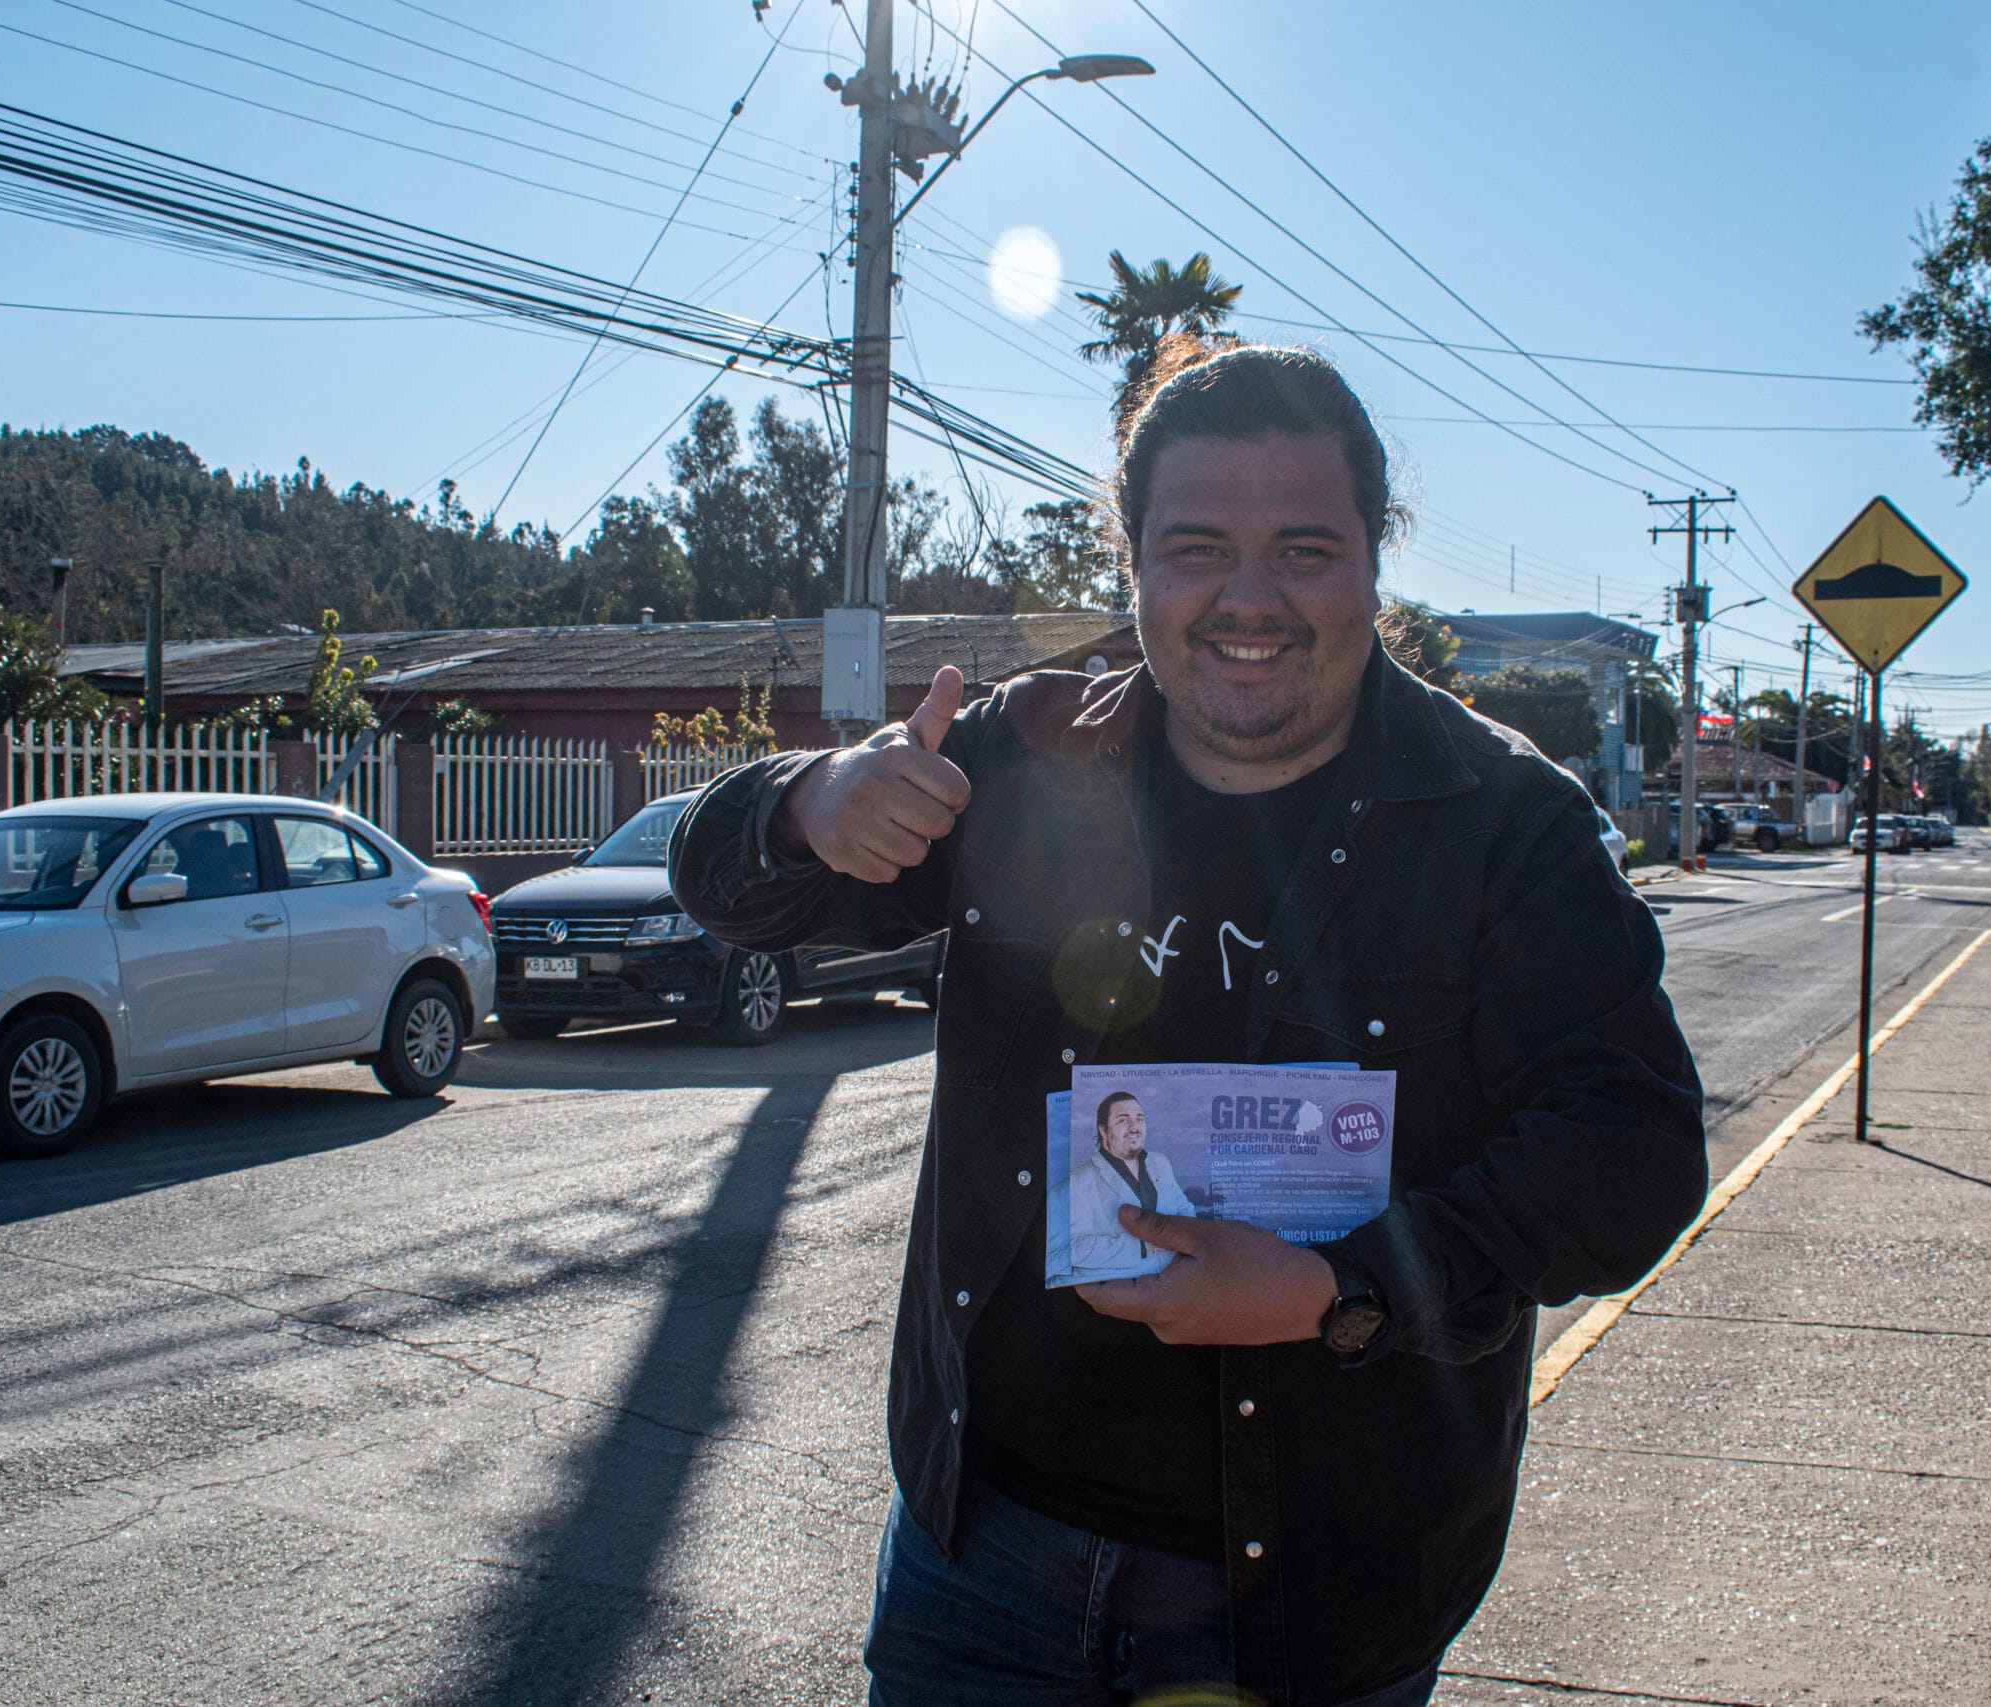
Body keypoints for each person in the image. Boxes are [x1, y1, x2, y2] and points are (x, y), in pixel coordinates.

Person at [670, 340, 1707, 1706]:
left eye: (1305, 548)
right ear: (1134, 561)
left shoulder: (1507, 827)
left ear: (1374, 564)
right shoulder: (1019, 761)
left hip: (1311, 1613)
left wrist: (1341, 1286)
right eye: (1199, 547)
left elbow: (1632, 1157)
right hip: (977, 1565)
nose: (1250, 598)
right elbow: (721, 882)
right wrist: (811, 801)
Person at [1067, 1089, 1195, 1276]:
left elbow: (1184, 1209)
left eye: (1140, 1119)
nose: (1135, 1127)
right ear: (1103, 1130)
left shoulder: (1161, 1162)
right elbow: (1075, 1248)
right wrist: (1143, 1247)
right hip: (1123, 1290)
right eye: (1123, 1119)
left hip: (1179, 1279)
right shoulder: (1079, 1179)